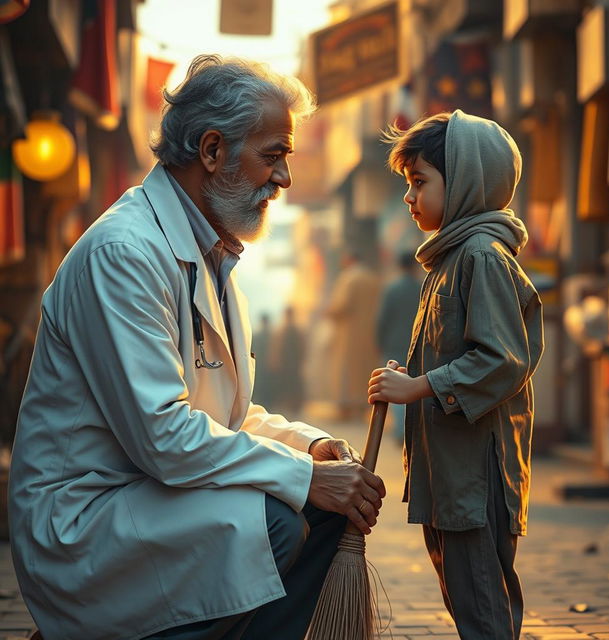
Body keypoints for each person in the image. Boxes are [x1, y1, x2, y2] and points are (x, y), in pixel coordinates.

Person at [9, 55, 386, 640]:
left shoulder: (212, 256)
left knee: (323, 510)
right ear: (212, 151)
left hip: (151, 500)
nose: (284, 179)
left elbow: (227, 417)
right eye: (274, 155)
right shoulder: (125, 252)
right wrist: (302, 478)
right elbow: (165, 435)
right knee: (273, 523)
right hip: (85, 521)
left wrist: (310, 450)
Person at [368, 110, 544, 640]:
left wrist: (419, 386)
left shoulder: (480, 256)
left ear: (464, 181)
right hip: (449, 468)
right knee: (467, 598)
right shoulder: (449, 258)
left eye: (419, 182)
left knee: (483, 602)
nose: (409, 197)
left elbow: (503, 358)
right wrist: (410, 374)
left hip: (476, 471)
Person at [326, 250, 380, 420]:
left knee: (346, 371)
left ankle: (346, 409)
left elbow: (341, 306)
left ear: (348, 260)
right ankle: (363, 407)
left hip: (348, 335)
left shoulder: (348, 278)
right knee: (364, 370)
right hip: (369, 333)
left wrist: (329, 311)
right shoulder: (373, 279)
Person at [376, 251, 421, 443]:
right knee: (414, 385)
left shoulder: (392, 289)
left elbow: (382, 319)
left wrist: (379, 342)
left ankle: (400, 430)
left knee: (394, 384)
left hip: (394, 344)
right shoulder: (422, 288)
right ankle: (411, 430)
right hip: (417, 343)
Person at [269, 305, 305, 416]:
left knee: (293, 384)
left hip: (292, 363)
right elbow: (277, 348)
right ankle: (287, 405)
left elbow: (301, 347)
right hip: (286, 363)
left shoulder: (292, 329)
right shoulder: (284, 330)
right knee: (286, 384)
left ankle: (293, 406)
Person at [251, 312, 274, 407]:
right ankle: (267, 401)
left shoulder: (258, 334)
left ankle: (264, 401)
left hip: (261, 362)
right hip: (267, 362)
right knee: (267, 382)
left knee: (262, 382)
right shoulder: (271, 335)